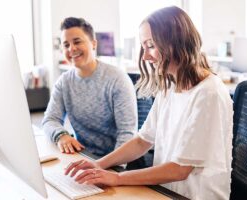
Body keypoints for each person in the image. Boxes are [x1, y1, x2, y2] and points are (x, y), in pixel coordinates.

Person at [64, 6, 233, 200]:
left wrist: (117, 177)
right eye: (143, 47)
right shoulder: (171, 86)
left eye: (150, 45)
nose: (145, 56)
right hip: (166, 191)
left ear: (176, 41)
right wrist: (99, 164)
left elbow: (180, 169)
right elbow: (142, 141)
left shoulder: (208, 93)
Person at [42, 17, 137, 157]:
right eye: (66, 45)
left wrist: (110, 170)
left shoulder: (117, 79)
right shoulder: (64, 82)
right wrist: (61, 135)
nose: (71, 49)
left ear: (93, 44)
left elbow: (127, 135)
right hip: (84, 157)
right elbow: (50, 119)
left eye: (77, 42)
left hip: (117, 163)